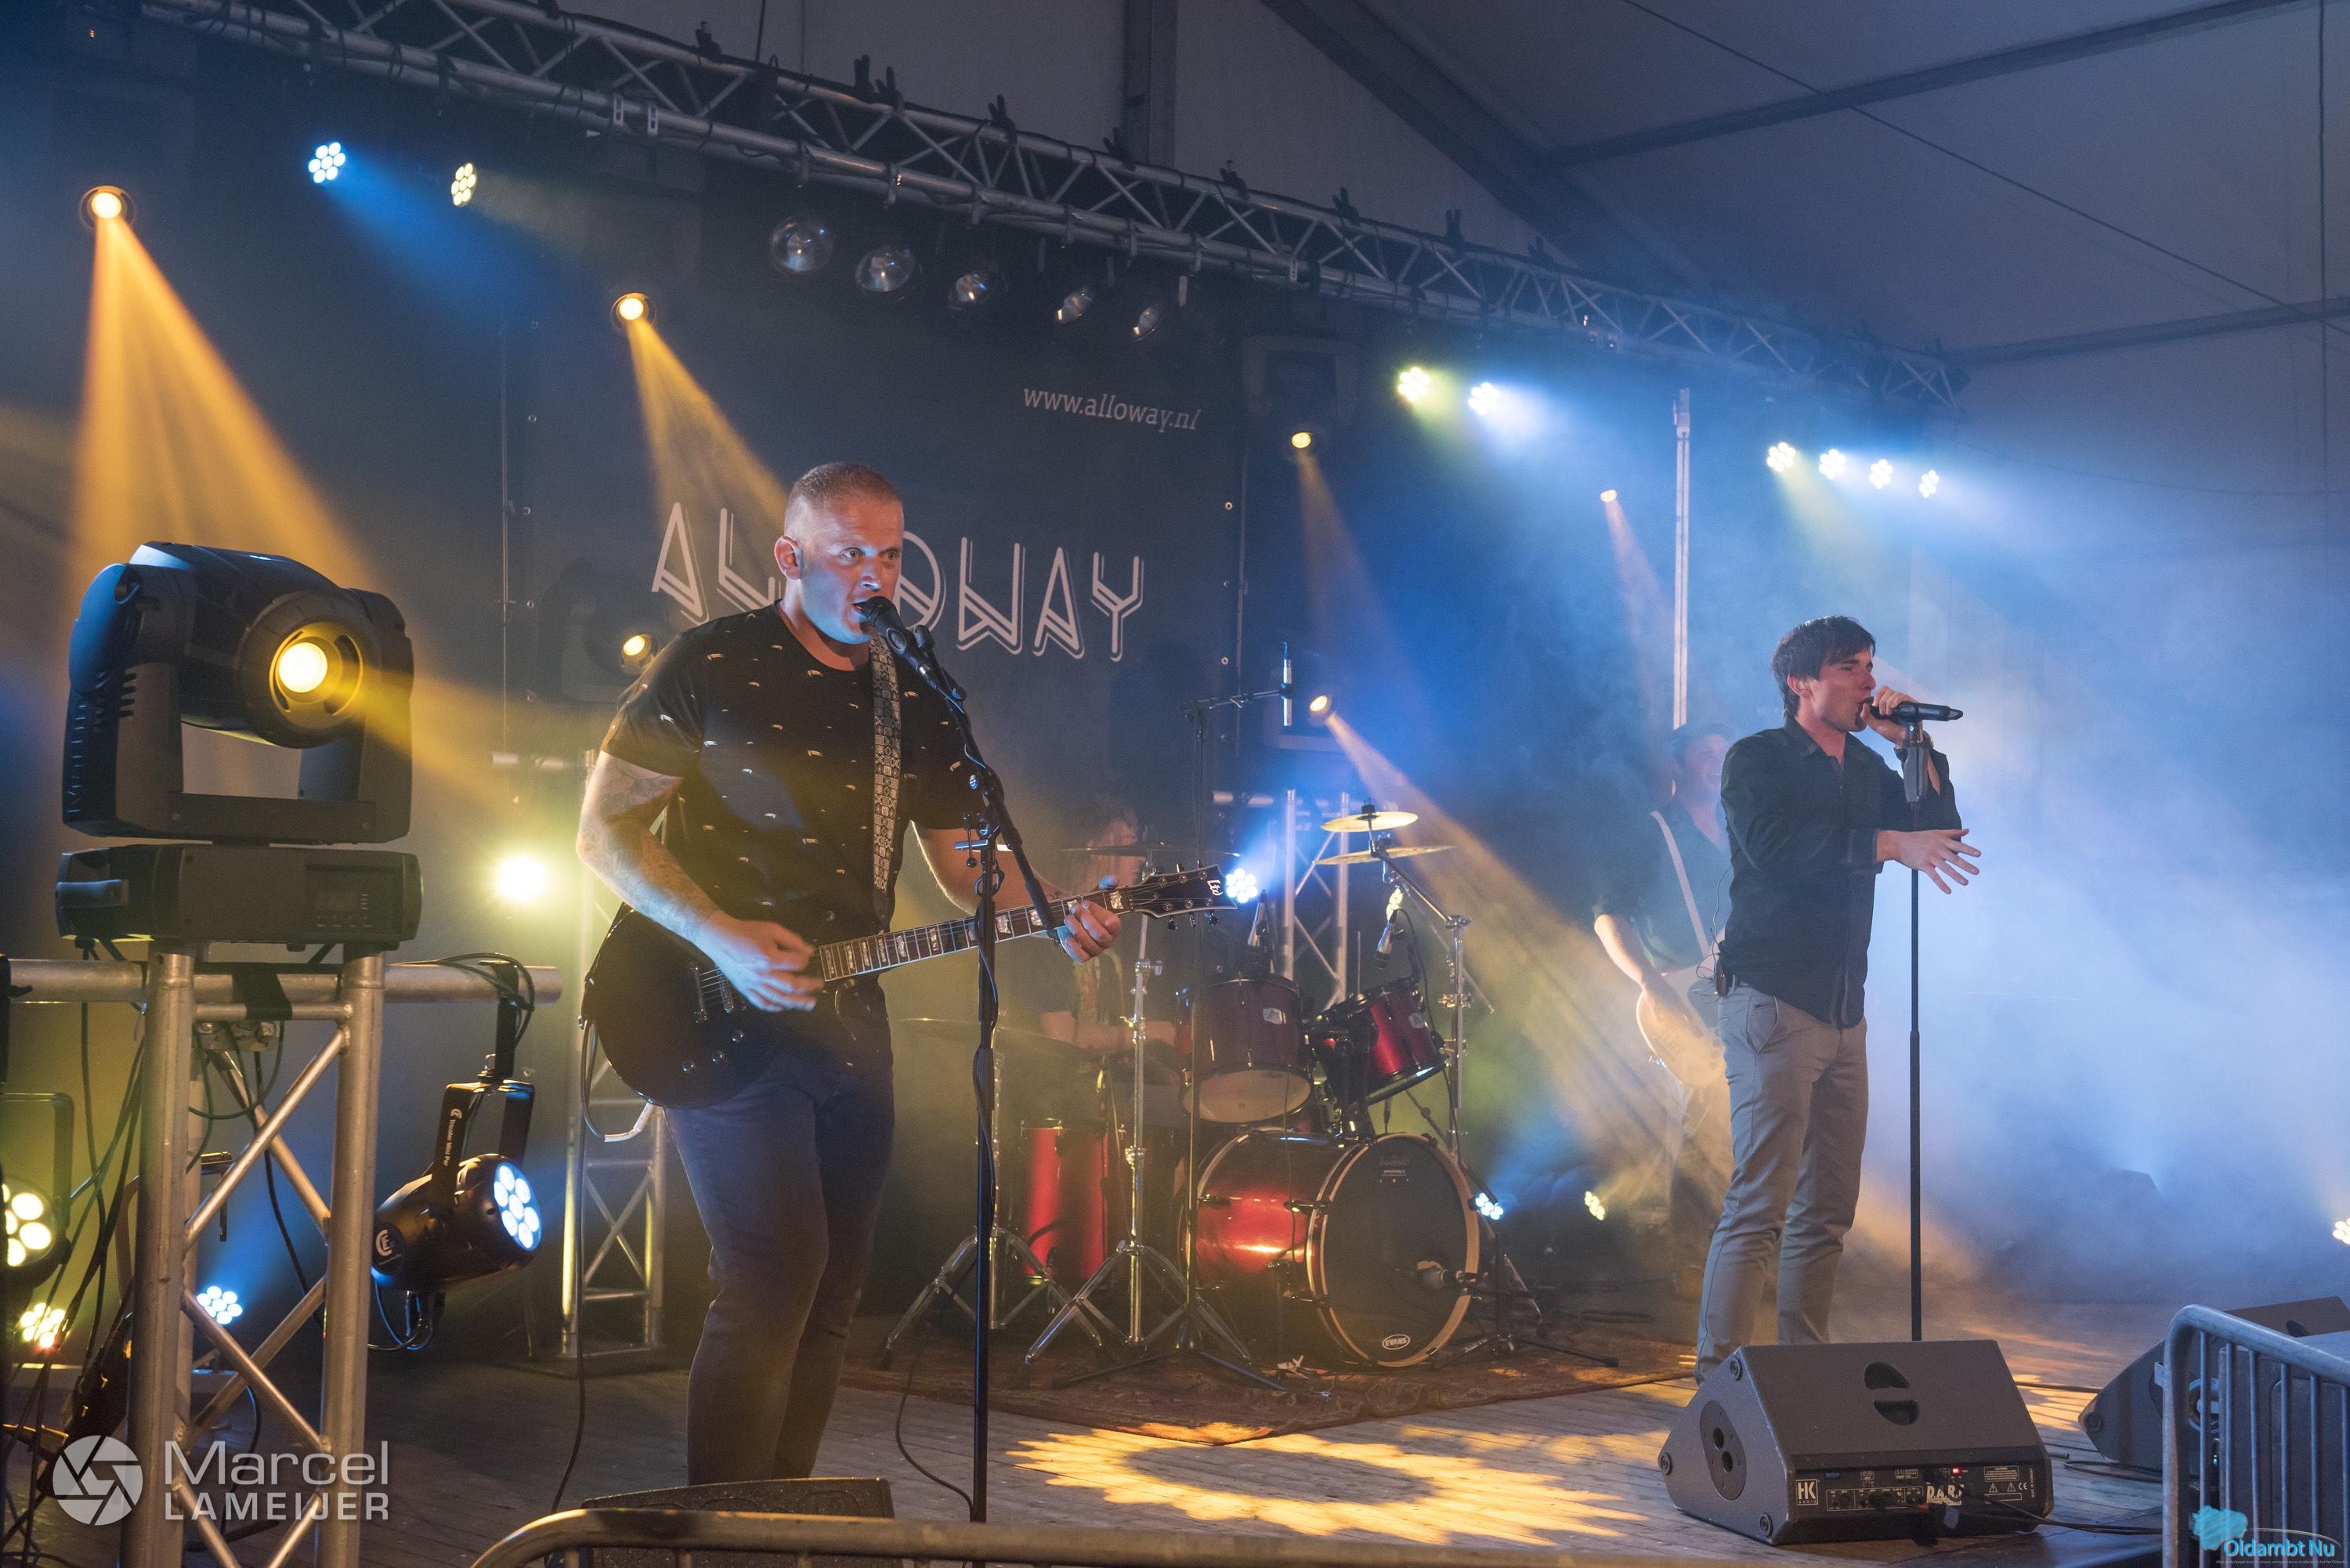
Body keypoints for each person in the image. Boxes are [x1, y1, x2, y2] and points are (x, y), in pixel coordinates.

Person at [575, 461, 1118, 1483]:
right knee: (773, 1273)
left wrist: (1051, 908)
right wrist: (722, 935)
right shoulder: (711, 661)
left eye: (891, 554)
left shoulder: (912, 694)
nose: (875, 575)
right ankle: (722, 1532)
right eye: (849, 553)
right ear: (792, 557)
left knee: (833, 1291)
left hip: (850, 1017)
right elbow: (604, 832)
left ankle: (786, 1518)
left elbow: (965, 866)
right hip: (714, 1004)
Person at [1694, 616, 1979, 1378]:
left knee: (1826, 1210)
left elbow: (1938, 829)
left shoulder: (1867, 767)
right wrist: (1888, 844)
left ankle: (1806, 1375)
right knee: (1761, 1203)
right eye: (1849, 667)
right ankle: (1717, 1383)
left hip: (1844, 1007)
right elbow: (1775, 849)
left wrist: (1912, 746)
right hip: (1773, 999)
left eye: (1869, 665)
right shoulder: (1757, 759)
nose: (1868, 680)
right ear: (1801, 682)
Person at [1593, 723, 1734, 1296]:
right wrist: (1650, 983)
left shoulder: (1741, 828)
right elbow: (1609, 915)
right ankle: (1695, 1261)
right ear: (1677, 765)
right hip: (1686, 998)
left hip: (1749, 990)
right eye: (1705, 754)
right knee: (1708, 1120)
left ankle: (1749, 1252)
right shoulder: (1650, 832)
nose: (1718, 763)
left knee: (1758, 1124)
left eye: (1724, 754)